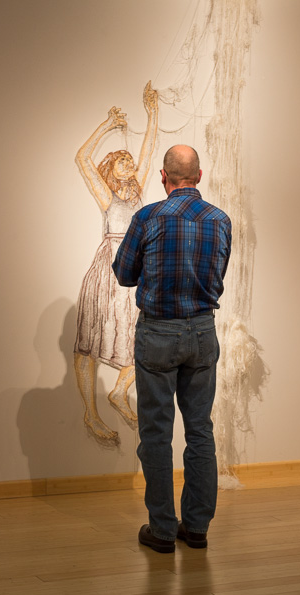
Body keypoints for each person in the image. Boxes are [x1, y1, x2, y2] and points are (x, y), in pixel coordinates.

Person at [112, 145, 232, 552]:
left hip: (158, 333)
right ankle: (196, 528)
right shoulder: (220, 220)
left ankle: (163, 530)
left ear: (163, 177)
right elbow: (218, 274)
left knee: (156, 433)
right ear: (199, 176)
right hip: (203, 331)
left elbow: (124, 274)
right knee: (200, 431)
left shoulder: (148, 217)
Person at [74, 82, 158, 442]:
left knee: (142, 334)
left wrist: (153, 113)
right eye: (122, 160)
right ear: (112, 168)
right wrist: (107, 125)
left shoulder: (137, 193)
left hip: (134, 268)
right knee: (89, 339)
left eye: (129, 160)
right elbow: (82, 158)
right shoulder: (106, 195)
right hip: (108, 269)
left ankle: (120, 391)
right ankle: (90, 414)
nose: (131, 162)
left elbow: (148, 150)